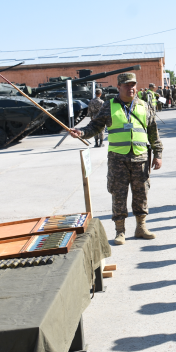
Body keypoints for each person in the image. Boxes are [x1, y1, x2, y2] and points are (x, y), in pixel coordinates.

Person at [69, 72, 163, 245]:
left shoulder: (144, 105)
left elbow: (153, 132)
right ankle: (120, 231)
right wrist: (81, 132)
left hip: (140, 158)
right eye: (127, 85)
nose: (131, 88)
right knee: (118, 195)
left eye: (133, 84)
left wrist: (158, 154)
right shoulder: (109, 106)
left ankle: (141, 227)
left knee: (141, 194)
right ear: (119, 86)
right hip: (117, 160)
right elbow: (95, 126)